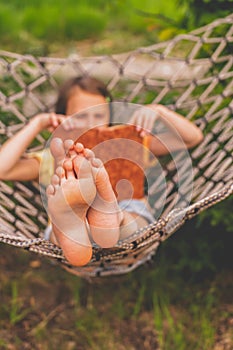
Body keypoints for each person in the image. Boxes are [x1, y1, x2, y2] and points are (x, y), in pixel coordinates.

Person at [0, 76, 203, 266]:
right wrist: (38, 123)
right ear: (63, 118)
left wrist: (159, 111)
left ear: (109, 115)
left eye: (98, 114)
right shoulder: (54, 157)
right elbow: (3, 169)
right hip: (74, 244)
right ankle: (76, 224)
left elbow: (192, 138)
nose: (91, 122)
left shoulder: (131, 145)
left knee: (130, 217)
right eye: (82, 116)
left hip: (128, 221)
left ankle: (106, 217)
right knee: (60, 234)